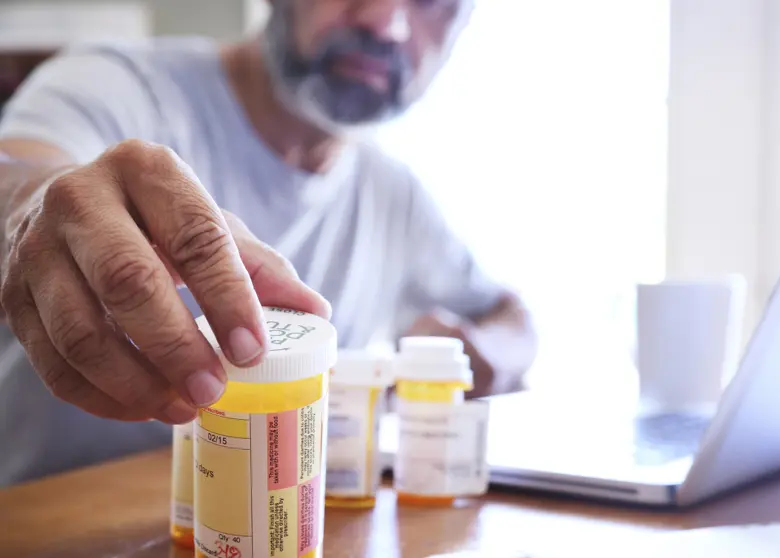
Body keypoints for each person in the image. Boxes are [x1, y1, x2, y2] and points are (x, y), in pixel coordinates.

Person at [0, 0, 537, 486]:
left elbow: (512, 318)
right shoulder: (114, 84)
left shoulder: (394, 195)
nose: (386, 22)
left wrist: (477, 355)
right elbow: (19, 176)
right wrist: (33, 210)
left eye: (434, 4)